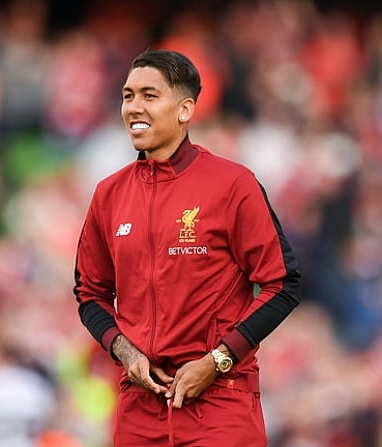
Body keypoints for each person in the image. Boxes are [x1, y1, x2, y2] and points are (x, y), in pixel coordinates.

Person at [72, 49, 301, 446]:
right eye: (128, 96)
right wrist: (125, 352)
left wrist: (218, 361)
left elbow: (283, 284)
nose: (133, 107)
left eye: (149, 95)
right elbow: (90, 293)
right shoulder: (108, 195)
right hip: (139, 412)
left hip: (220, 406)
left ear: (185, 109)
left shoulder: (233, 185)